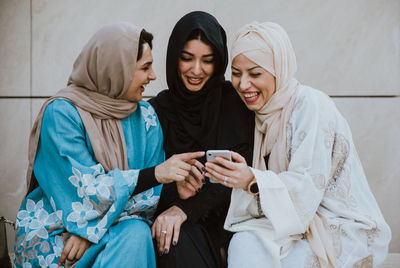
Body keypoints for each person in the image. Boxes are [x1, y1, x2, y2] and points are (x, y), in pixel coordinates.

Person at [13, 22, 204, 268]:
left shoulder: (146, 116)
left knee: (136, 233)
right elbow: (83, 197)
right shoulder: (62, 114)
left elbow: (147, 201)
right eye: (145, 67)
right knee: (132, 234)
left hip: (117, 231)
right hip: (59, 238)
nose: (153, 76)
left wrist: (93, 233)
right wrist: (156, 175)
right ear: (117, 69)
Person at [205, 21, 391, 268]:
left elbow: (307, 184)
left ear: (279, 69)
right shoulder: (260, 114)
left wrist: (251, 179)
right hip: (284, 225)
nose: (243, 84)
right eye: (237, 74)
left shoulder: (310, 104)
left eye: (255, 74)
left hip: (340, 226)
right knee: (244, 243)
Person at [149, 11, 254, 268]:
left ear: (219, 63)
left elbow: (246, 173)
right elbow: (143, 178)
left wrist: (187, 209)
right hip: (179, 227)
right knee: (171, 237)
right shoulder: (157, 111)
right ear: (174, 58)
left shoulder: (236, 104)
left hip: (234, 222)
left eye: (207, 60)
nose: (196, 70)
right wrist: (176, 192)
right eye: (186, 59)